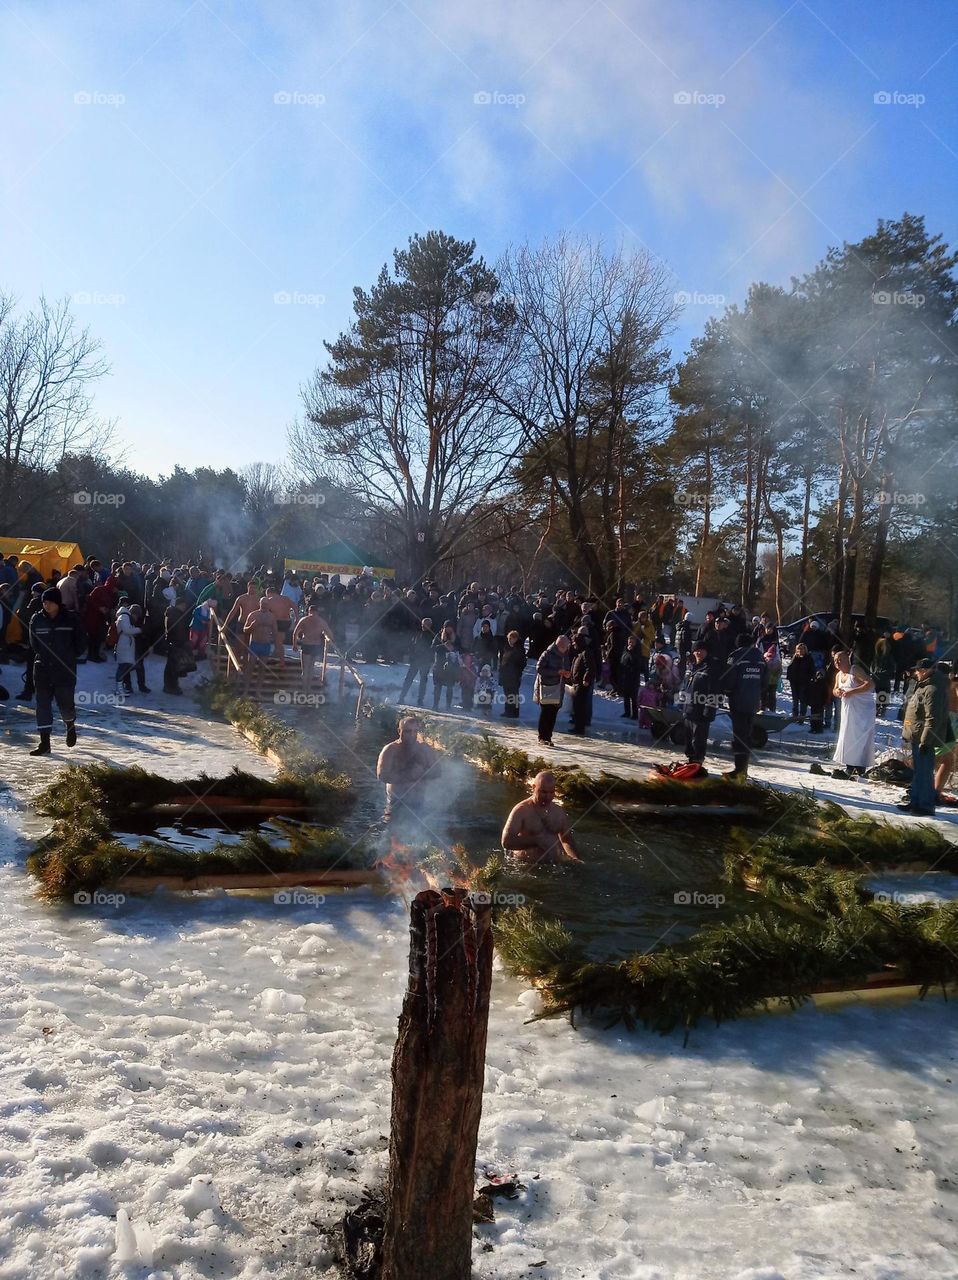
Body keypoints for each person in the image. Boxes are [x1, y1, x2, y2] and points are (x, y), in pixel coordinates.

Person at [29, 587, 83, 755]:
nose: (46, 605)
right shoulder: (36, 619)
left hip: (64, 669)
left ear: (58, 603)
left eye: (50, 602)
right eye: (44, 602)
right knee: (42, 705)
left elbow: (81, 642)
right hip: (43, 668)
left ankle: (70, 725)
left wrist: (68, 656)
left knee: (65, 704)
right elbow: (34, 643)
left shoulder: (70, 619)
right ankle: (45, 743)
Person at [898, 658, 952, 815]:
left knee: (925, 772)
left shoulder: (932, 689)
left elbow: (932, 718)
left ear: (926, 670)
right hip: (917, 736)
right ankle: (915, 801)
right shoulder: (924, 685)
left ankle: (925, 805)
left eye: (918, 670)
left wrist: (925, 741)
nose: (915, 672)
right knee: (919, 772)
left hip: (924, 739)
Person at [501, 771, 581, 865]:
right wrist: (536, 840)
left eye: (551, 792)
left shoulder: (558, 812)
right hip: (526, 866)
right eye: (543, 792)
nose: (548, 797)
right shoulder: (521, 811)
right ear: (533, 788)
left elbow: (566, 839)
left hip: (553, 866)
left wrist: (575, 859)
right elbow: (506, 842)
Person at [376, 714, 441, 823]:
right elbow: (382, 775)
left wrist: (421, 774)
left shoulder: (424, 749)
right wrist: (409, 775)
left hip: (419, 803)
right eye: (407, 731)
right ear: (399, 731)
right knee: (392, 836)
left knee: (419, 836)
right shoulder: (390, 750)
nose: (412, 735)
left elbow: (437, 771)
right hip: (396, 804)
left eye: (415, 731)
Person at [719, 634, 766, 779]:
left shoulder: (736, 656)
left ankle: (740, 770)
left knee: (739, 735)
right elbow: (765, 682)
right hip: (753, 701)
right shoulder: (760, 658)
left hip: (738, 701)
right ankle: (743, 768)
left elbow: (730, 679)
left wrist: (727, 692)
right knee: (746, 733)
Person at [831, 650, 876, 777]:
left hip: (863, 710)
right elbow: (834, 689)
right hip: (848, 709)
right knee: (848, 734)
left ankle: (861, 765)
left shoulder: (855, 670)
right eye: (835, 660)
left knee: (860, 735)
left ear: (847, 659)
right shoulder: (838, 675)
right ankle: (849, 764)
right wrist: (837, 691)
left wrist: (852, 691)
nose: (837, 662)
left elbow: (870, 684)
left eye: (840, 659)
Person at [679, 641, 715, 766]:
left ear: (706, 652)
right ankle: (690, 761)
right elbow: (684, 686)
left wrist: (709, 710)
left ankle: (697, 762)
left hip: (701, 712)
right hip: (688, 710)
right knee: (688, 739)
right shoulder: (691, 668)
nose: (699, 652)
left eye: (702, 650)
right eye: (697, 650)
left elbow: (713, 691)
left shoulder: (710, 669)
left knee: (698, 740)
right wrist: (681, 702)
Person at [534, 634, 571, 748]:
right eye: (564, 647)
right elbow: (539, 668)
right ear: (558, 645)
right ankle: (542, 737)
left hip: (558, 687)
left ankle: (548, 737)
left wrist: (567, 674)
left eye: (566, 647)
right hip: (547, 687)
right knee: (546, 712)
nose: (566, 649)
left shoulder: (565, 655)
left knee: (553, 713)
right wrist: (557, 672)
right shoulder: (548, 654)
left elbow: (567, 668)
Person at [292, 602, 335, 691]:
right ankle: (307, 688)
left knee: (306, 668)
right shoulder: (321, 621)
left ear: (309, 611)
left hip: (308, 645)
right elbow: (330, 634)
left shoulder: (304, 619)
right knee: (310, 668)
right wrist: (329, 641)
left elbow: (295, 633)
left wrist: (295, 644)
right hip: (315, 646)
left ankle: (305, 689)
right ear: (317, 612)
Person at [398, 617, 436, 707]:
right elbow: (412, 645)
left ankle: (420, 700)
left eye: (425, 625)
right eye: (422, 624)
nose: (423, 626)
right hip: (415, 660)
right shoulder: (417, 634)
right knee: (408, 679)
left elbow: (432, 649)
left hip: (425, 661)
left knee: (423, 681)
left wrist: (430, 660)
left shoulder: (432, 636)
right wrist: (411, 655)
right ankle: (401, 697)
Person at [568, 629, 596, 736]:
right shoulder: (580, 653)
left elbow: (590, 668)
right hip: (576, 683)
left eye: (575, 643)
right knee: (577, 706)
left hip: (581, 684)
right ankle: (577, 726)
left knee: (580, 706)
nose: (574, 645)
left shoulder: (586, 653)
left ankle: (580, 728)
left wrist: (586, 679)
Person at [114, 601, 142, 695]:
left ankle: (121, 688)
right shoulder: (125, 617)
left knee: (125, 667)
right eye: (137, 616)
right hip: (123, 646)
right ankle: (119, 690)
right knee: (122, 668)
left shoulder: (126, 617)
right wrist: (139, 630)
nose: (136, 619)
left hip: (126, 646)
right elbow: (127, 630)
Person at [498, 629, 527, 718]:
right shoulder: (507, 648)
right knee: (507, 694)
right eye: (509, 638)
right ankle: (508, 711)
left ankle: (514, 712)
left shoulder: (520, 650)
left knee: (513, 694)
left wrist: (516, 672)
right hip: (506, 675)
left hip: (514, 676)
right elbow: (503, 662)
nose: (510, 640)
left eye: (512, 638)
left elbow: (522, 663)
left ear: (516, 639)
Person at [244, 597, 283, 662]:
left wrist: (277, 647)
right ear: (259, 604)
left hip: (266, 644)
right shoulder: (253, 615)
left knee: (262, 667)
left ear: (269, 605)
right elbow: (244, 630)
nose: (264, 605)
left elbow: (275, 633)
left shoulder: (272, 617)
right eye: (263, 603)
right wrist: (251, 626)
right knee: (250, 665)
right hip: (255, 644)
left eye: (266, 604)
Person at [786, 642, 814, 720]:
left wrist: (808, 679)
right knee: (795, 700)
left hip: (804, 682)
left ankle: (802, 717)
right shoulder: (795, 658)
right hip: (794, 682)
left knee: (803, 700)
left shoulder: (808, 658)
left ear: (805, 650)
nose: (800, 651)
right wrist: (790, 679)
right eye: (799, 649)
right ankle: (795, 716)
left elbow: (812, 671)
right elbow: (790, 668)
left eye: (802, 649)